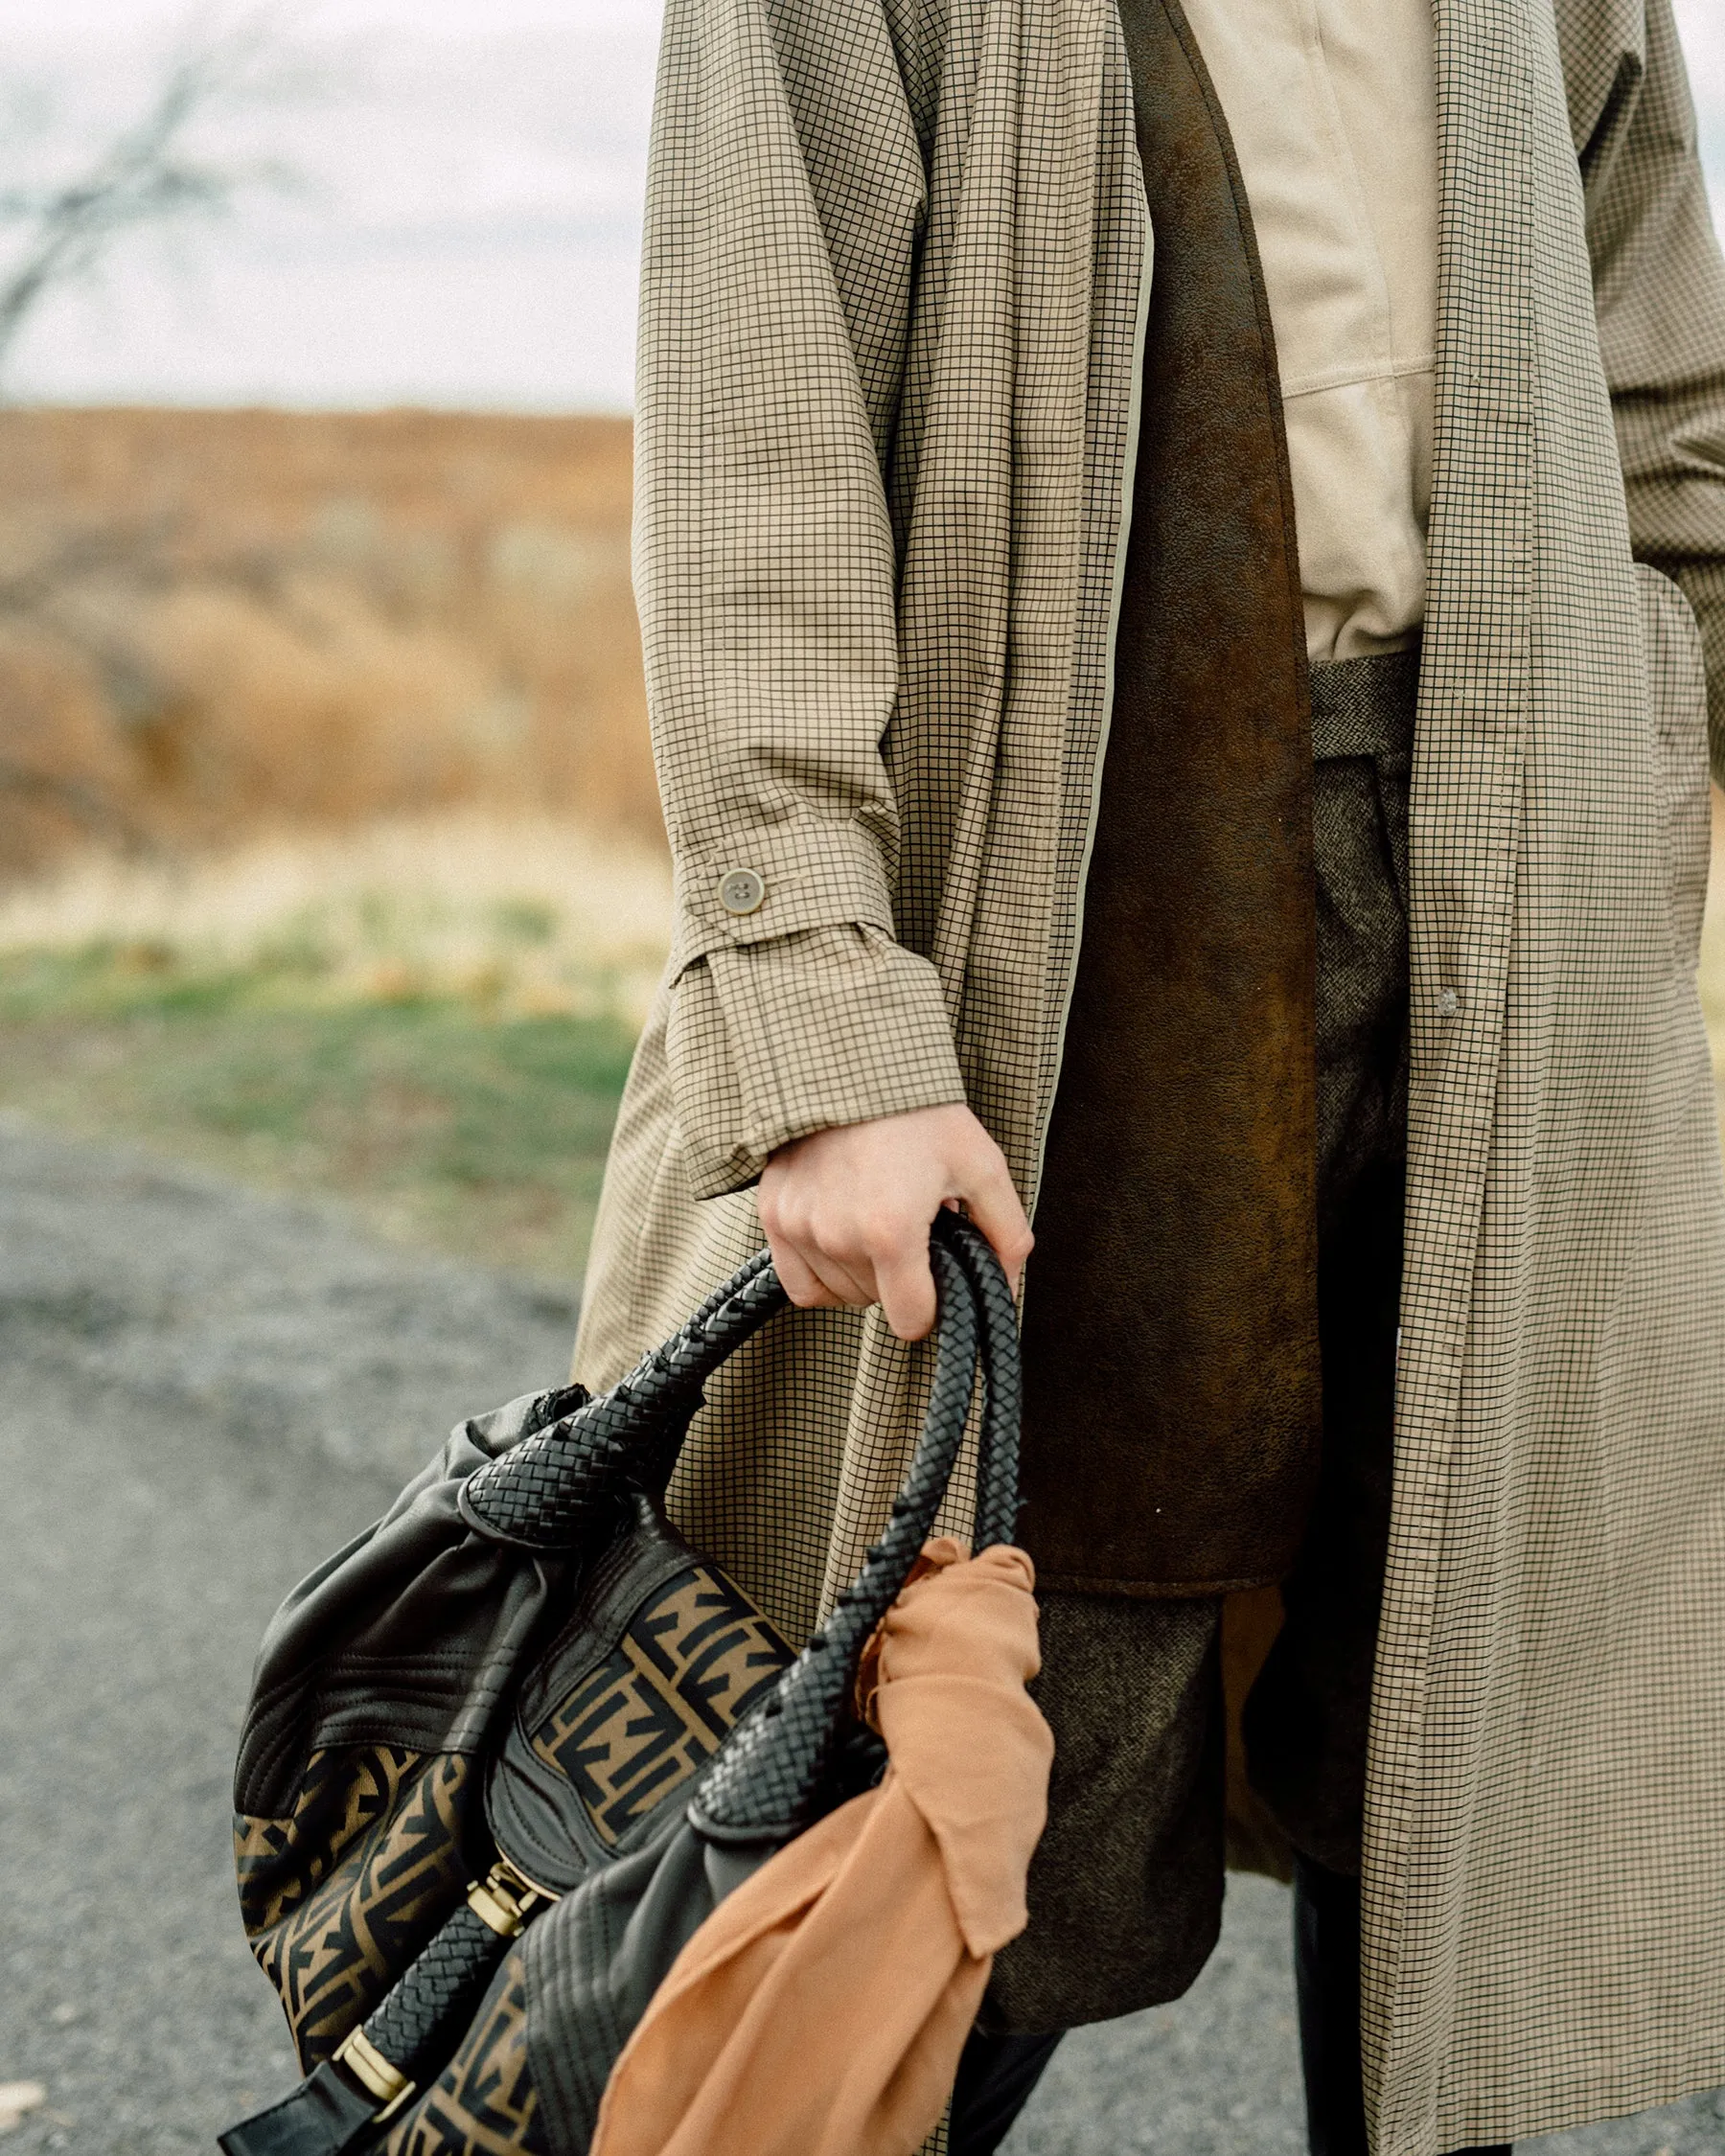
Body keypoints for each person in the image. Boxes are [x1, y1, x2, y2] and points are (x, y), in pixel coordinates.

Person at [572, 0, 1725, 2150]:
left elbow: (1665, 393)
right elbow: (758, 440)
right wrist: (819, 1011)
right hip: (1063, 920)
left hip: (1504, 853)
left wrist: (1649, 773)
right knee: (980, 1745)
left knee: (1446, 1694)